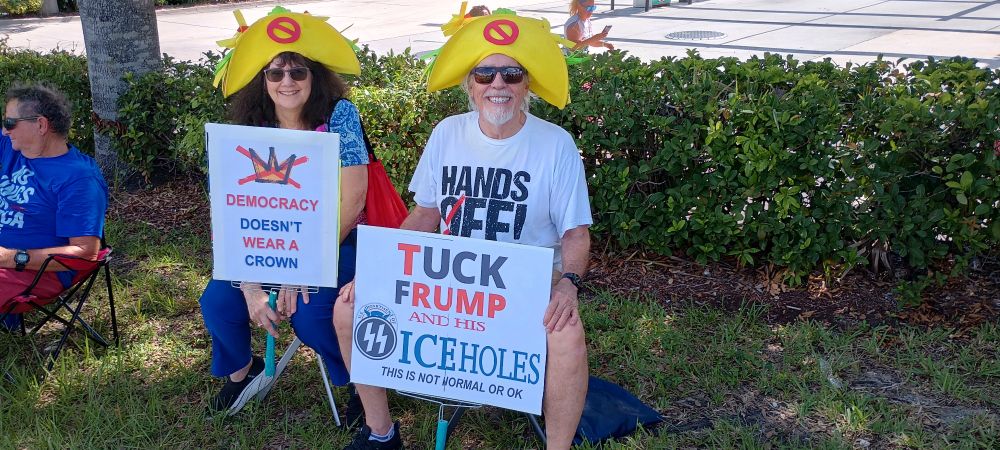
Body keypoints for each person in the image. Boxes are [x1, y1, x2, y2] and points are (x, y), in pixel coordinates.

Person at [334, 11, 591, 450]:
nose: (498, 85)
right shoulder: (447, 134)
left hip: (525, 286)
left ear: (527, 84)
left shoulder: (555, 145)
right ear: (469, 85)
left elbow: (575, 233)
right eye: (485, 73)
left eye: (511, 74)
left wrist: (567, 286)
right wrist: (383, 267)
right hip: (449, 280)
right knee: (347, 310)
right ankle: (381, 432)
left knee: (566, 337)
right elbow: (425, 214)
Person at [199, 8, 369, 415]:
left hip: (336, 240)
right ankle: (243, 371)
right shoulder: (247, 130)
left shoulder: (338, 115)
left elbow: (354, 199)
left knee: (311, 316)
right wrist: (250, 283)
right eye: (275, 73)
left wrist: (302, 269)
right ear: (263, 80)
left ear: (315, 76)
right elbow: (231, 211)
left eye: (298, 72)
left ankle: (354, 382)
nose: (287, 81)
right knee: (219, 302)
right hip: (266, 241)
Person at [0, 84, 108, 330]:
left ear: (40, 125)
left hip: (36, 270)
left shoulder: (78, 179)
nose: (5, 131)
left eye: (9, 122)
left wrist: (10, 257)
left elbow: (85, 252)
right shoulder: (13, 146)